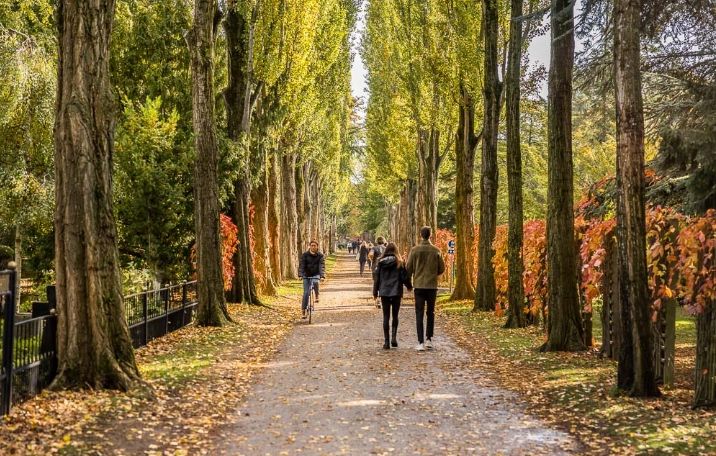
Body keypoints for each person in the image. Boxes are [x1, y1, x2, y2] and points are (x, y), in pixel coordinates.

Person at [406, 226, 445, 351]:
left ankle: (420, 341)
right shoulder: (436, 250)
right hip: (432, 286)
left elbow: (409, 269)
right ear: (431, 235)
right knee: (431, 313)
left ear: (420, 235)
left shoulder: (414, 250)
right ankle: (429, 339)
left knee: (419, 313)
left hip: (419, 286)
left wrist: (409, 284)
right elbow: (441, 269)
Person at [373, 243, 412, 349]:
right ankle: (393, 338)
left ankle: (386, 342)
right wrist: (409, 286)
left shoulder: (380, 262)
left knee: (386, 316)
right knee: (395, 316)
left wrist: (375, 292)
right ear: (396, 250)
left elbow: (377, 279)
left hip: (384, 292)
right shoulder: (400, 262)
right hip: (396, 292)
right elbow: (404, 277)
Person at [298, 240, 325, 319]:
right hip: (306, 275)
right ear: (309, 246)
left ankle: (317, 295)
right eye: (312, 245)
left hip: (315, 274)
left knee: (316, 282)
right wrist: (300, 275)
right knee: (306, 293)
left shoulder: (320, 256)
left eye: (315, 245)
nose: (313, 247)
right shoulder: (305, 255)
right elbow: (301, 266)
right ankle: (303, 310)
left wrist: (322, 276)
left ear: (317, 246)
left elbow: (321, 266)